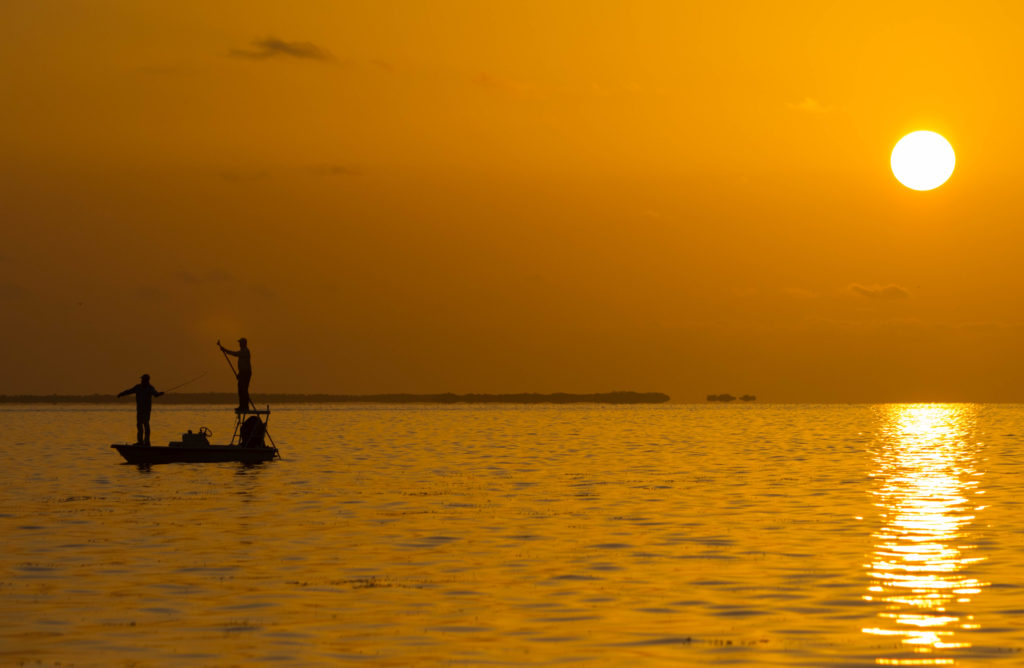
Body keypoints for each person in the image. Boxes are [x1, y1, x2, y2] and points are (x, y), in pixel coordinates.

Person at [117, 374, 164, 446]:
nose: (141, 380)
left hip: (146, 410)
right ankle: (140, 442)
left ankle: (147, 442)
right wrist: (121, 394)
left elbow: (155, 394)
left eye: (142, 379)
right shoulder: (138, 387)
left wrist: (160, 394)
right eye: (141, 379)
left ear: (146, 380)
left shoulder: (150, 388)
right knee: (139, 425)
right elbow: (129, 391)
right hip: (139, 410)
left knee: (145, 424)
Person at [218, 337, 251, 412]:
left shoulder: (245, 351)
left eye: (240, 343)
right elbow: (242, 365)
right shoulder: (242, 350)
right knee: (240, 389)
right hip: (242, 373)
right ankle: (242, 406)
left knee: (244, 389)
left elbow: (235, 354)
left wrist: (225, 350)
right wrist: (239, 374)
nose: (239, 344)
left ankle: (245, 406)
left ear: (243, 343)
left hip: (246, 373)